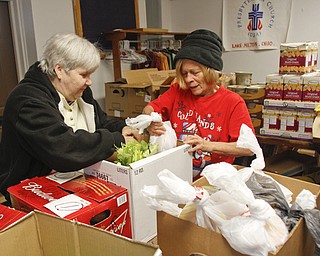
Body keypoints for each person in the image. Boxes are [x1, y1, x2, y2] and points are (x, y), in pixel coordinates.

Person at [0, 33, 141, 204]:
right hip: (32, 192)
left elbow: (101, 122)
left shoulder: (80, 92)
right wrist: (117, 140)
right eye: (84, 75)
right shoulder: (27, 101)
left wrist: (120, 128)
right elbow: (64, 148)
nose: (89, 82)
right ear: (59, 70)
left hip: (75, 183)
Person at [143, 29, 254, 180]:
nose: (188, 79)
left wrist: (208, 145)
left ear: (211, 71)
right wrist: (149, 121)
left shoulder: (232, 102)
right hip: (178, 178)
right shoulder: (178, 91)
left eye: (195, 73)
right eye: (184, 73)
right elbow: (149, 108)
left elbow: (248, 148)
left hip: (215, 181)